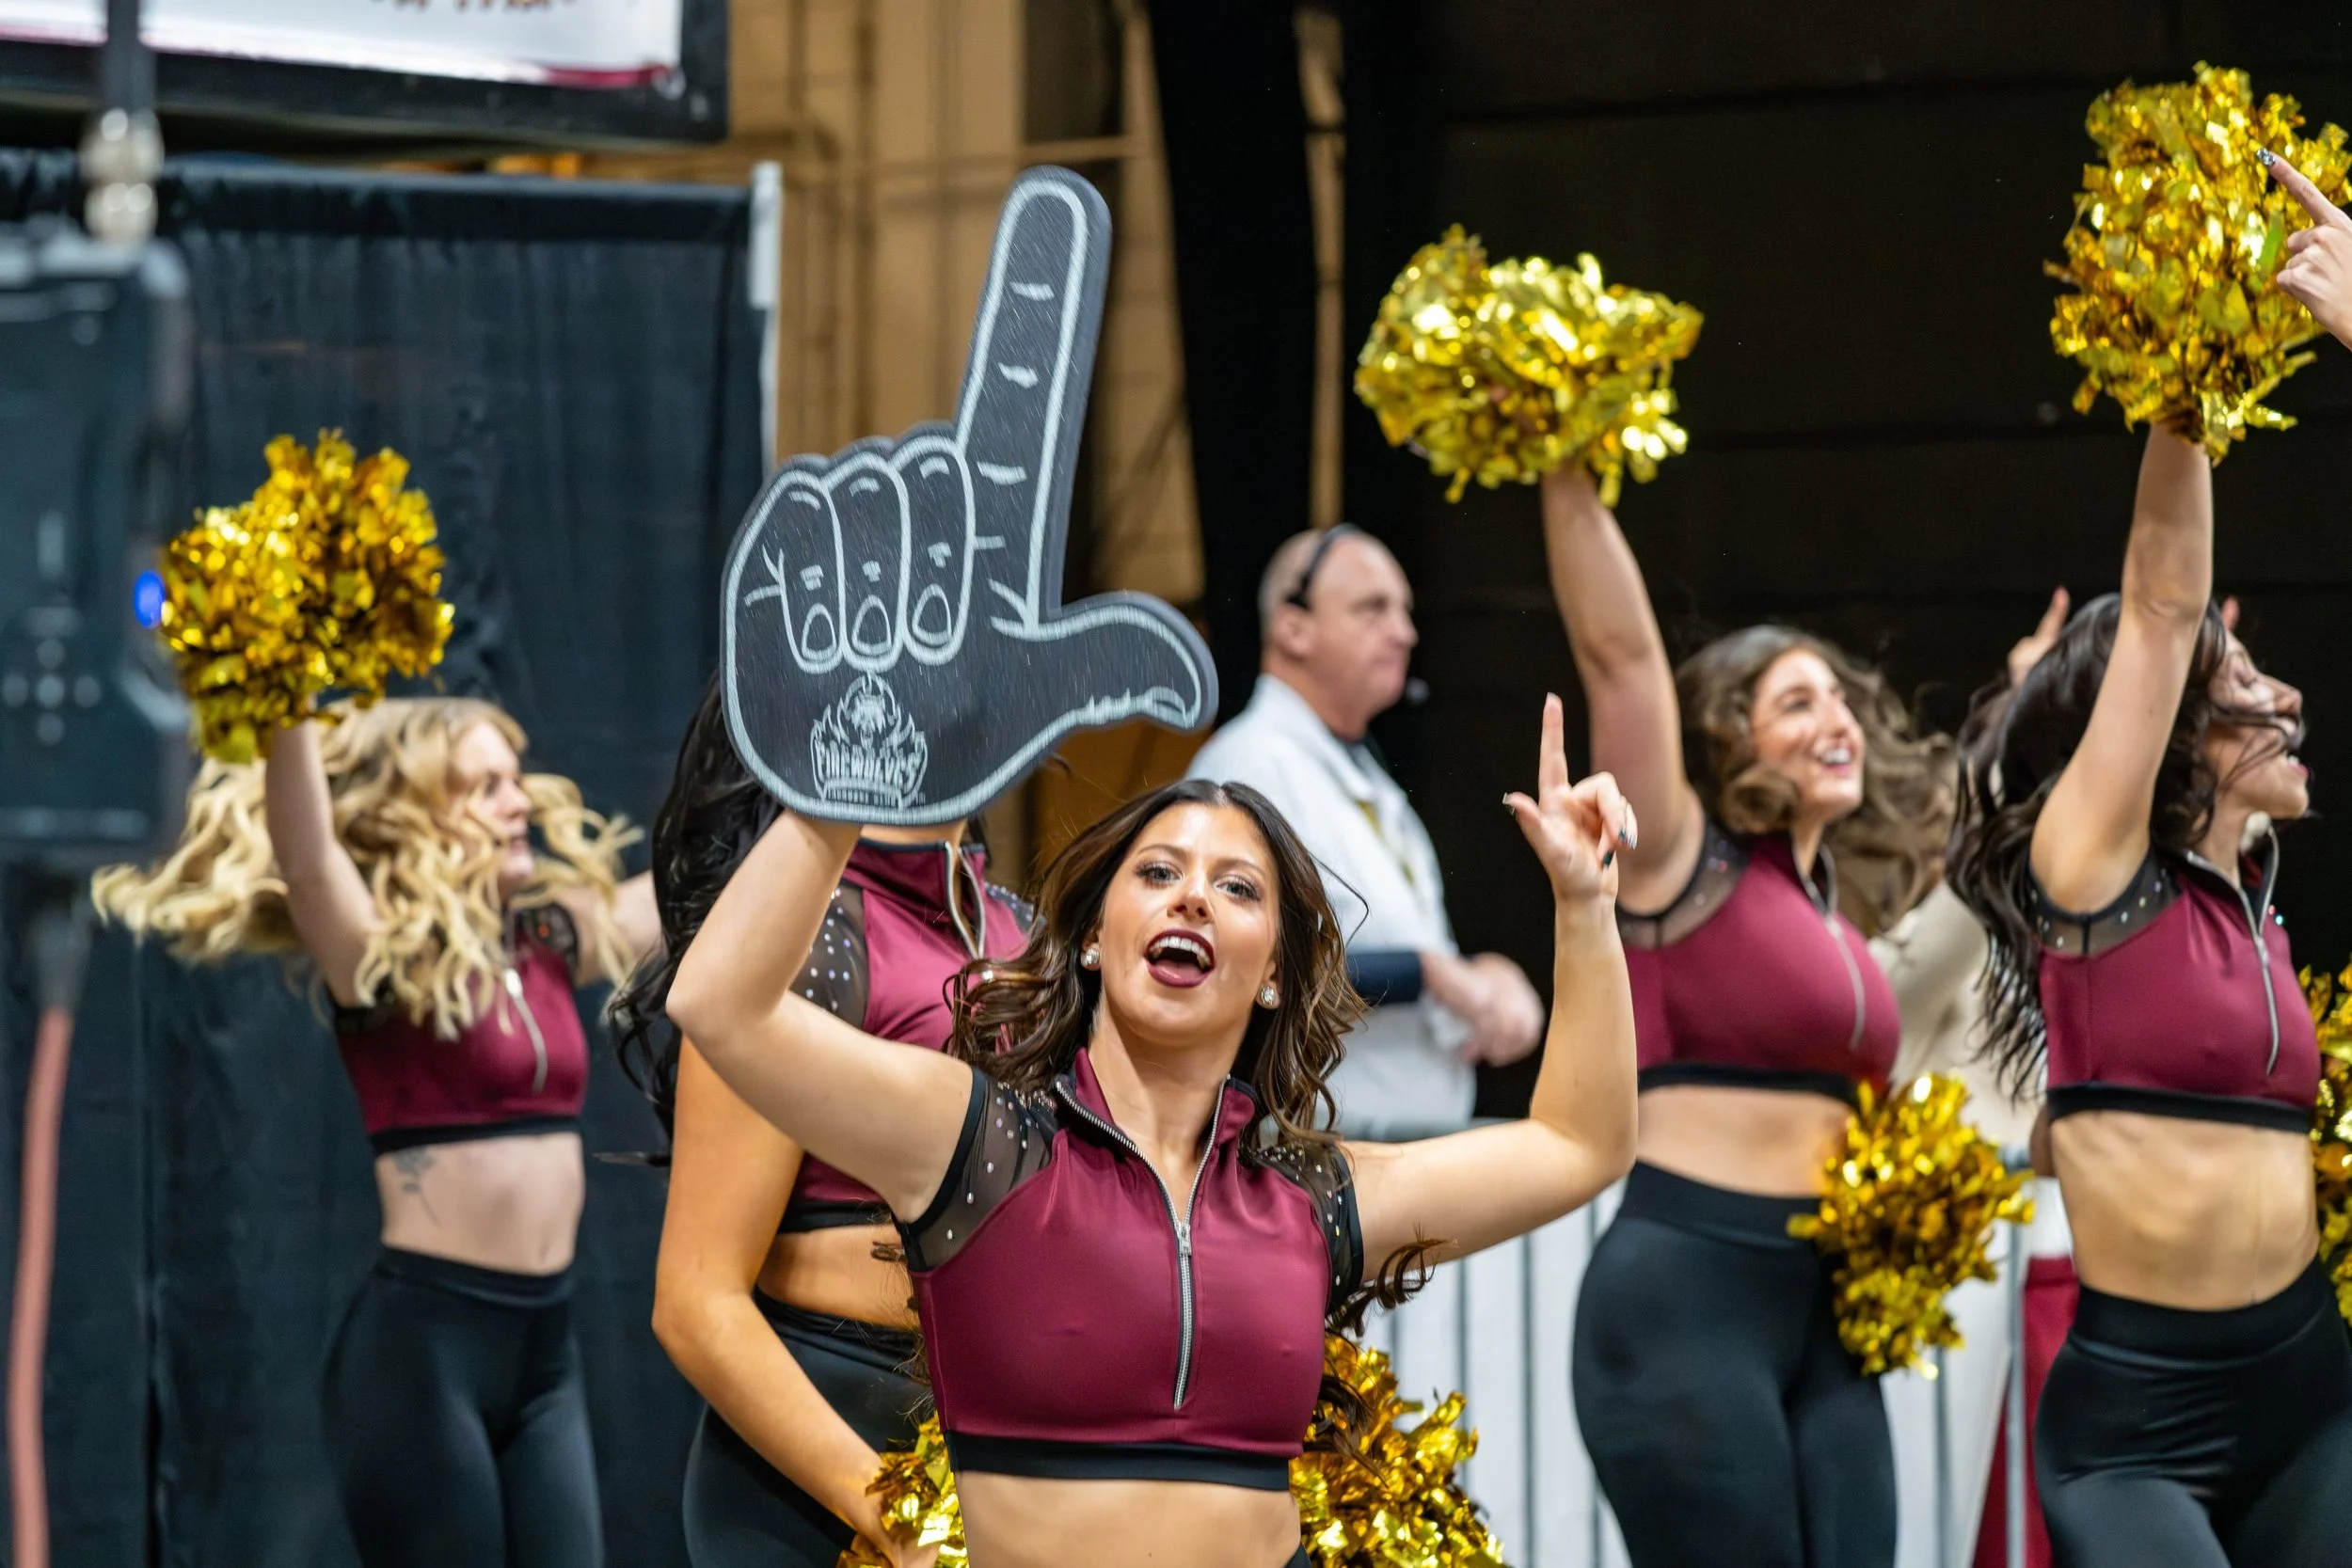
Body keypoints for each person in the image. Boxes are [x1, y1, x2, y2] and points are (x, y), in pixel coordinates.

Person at [665, 695, 1638, 1568]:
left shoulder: (1311, 1194)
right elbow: (722, 1005)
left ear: (1272, 974)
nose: (1193, 896)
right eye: (1160, 870)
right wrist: (838, 789)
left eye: (1239, 887)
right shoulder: (978, 1147)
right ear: (1090, 934)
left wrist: (1584, 903)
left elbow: (1577, 1144)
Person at [92, 697, 659, 1568]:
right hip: (424, 1362)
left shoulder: (545, 940)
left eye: (516, 780)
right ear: (418, 813)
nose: (519, 803)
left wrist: (791, 778)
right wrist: (283, 695)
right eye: (485, 787)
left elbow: (687, 890)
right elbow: (310, 855)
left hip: (545, 1357)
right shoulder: (378, 960)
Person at [1540, 463, 1953, 1568]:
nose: (1838, 719)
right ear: (1729, 736)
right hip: (1686, 1299)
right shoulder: (1678, 860)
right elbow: (1620, 657)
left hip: (1827, 1312)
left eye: (1840, 698)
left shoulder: (1830, 910)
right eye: (1795, 699)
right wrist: (1563, 467)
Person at [1948, 423, 2345, 1566]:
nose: (2286, 694)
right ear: (2164, 730)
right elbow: (2165, 599)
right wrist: (2186, 372)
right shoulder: (2091, 872)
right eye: (2242, 683)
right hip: (2140, 1428)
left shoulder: (2254, 886)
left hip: (2310, 1390)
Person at [608, 678, 1027, 1568]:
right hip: (821, 1454)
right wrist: (900, 1518)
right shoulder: (794, 942)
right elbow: (695, 1300)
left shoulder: (1022, 930)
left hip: (996, 1437)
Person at [1185, 524, 1543, 1136]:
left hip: (1390, 1156)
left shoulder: (1359, 773)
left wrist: (1483, 979)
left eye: (1404, 610)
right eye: (1372, 608)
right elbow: (1229, 956)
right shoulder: (1248, 765)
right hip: (1312, 1162)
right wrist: (1430, 972)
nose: (1405, 632)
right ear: (1293, 627)